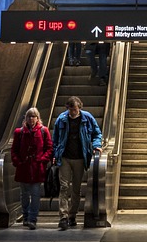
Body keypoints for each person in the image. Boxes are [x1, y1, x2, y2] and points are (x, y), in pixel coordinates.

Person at [51, 96, 102, 229]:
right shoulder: (61, 119)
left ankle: (72, 215)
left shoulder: (87, 118)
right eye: (70, 109)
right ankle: (63, 217)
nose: (72, 112)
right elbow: (55, 139)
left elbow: (97, 133)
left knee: (76, 189)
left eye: (74, 109)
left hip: (80, 157)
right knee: (64, 187)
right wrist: (55, 154)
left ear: (79, 107)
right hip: (65, 158)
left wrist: (96, 145)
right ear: (67, 108)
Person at [10, 106, 53, 229]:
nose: (31, 119)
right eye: (29, 116)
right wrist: (18, 161)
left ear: (37, 118)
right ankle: (25, 216)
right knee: (24, 195)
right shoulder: (19, 132)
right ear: (26, 118)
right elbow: (14, 150)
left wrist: (42, 160)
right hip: (23, 168)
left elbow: (49, 148)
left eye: (33, 116)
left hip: (37, 168)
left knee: (35, 194)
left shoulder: (44, 131)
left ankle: (32, 219)